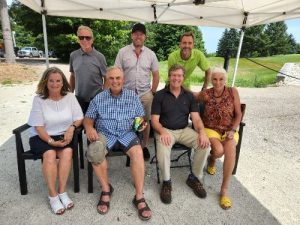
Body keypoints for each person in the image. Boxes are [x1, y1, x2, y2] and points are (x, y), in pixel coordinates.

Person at [83, 67, 152, 221]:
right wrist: (89, 128)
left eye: (118, 78)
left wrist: (140, 125)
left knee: (138, 153)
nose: (115, 81)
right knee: (95, 152)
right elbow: (88, 119)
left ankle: (139, 196)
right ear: (107, 80)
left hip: (127, 133)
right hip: (105, 134)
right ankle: (106, 190)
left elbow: (139, 117)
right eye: (111, 78)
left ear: (123, 80)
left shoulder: (132, 97)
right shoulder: (99, 98)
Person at [27, 67, 83, 215]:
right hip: (42, 136)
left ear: (63, 82)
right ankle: (52, 196)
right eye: (51, 80)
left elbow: (79, 117)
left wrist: (71, 128)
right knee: (50, 154)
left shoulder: (70, 96)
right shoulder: (39, 99)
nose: (54, 84)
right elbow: (38, 127)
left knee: (68, 152)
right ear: (45, 82)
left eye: (58, 80)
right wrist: (51, 141)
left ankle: (62, 191)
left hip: (63, 135)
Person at [151, 64, 210, 204]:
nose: (176, 78)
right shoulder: (160, 95)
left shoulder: (189, 96)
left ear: (183, 78)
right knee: (163, 147)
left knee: (205, 145)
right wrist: (162, 131)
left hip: (184, 130)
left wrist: (202, 132)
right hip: (166, 130)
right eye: (173, 75)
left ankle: (194, 178)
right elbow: (154, 120)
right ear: (169, 77)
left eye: (179, 75)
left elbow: (196, 118)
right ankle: (166, 182)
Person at [198, 67, 242, 210]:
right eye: (215, 79)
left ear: (225, 79)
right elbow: (192, 96)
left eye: (221, 79)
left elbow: (239, 114)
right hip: (210, 128)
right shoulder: (206, 94)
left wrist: (233, 129)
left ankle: (224, 190)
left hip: (229, 129)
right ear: (211, 80)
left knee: (230, 149)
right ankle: (212, 158)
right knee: (218, 150)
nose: (218, 82)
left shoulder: (232, 91)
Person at [114, 23, 159, 161]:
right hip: (127, 94)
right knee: (128, 121)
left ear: (145, 36)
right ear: (132, 35)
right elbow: (117, 73)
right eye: (136, 33)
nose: (138, 36)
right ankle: (129, 145)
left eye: (141, 34)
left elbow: (156, 75)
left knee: (145, 121)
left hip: (145, 94)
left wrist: (152, 92)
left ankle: (144, 146)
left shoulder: (151, 54)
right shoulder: (123, 52)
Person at [69, 25, 107, 113]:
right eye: (81, 37)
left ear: (92, 39)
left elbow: (107, 78)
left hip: (96, 100)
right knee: (79, 124)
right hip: (78, 100)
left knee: (94, 125)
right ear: (78, 39)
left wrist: (103, 96)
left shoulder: (100, 57)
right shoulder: (73, 55)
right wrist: (70, 95)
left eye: (88, 38)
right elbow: (73, 76)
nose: (84, 40)